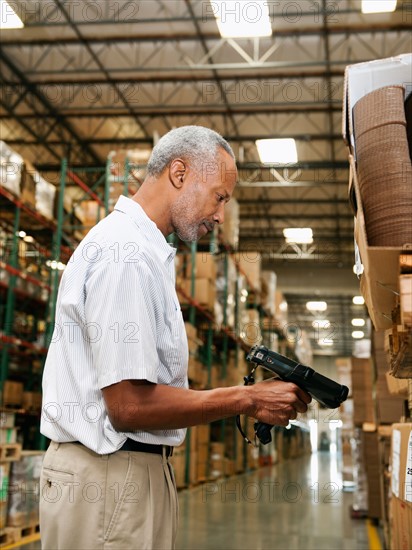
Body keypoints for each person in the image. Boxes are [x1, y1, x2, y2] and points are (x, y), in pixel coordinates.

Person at [39, 125, 311, 549]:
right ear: (179, 173)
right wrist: (250, 399)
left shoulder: (143, 252)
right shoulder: (125, 255)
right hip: (110, 476)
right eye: (219, 197)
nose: (221, 215)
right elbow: (128, 405)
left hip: (124, 474)